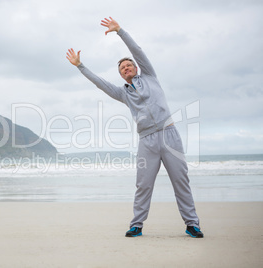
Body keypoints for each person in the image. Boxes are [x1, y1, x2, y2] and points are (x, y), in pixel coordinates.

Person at [66, 17, 203, 238]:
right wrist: (80, 66)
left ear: (136, 68)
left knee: (181, 181)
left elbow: (136, 50)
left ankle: (192, 224)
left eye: (129, 65)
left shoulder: (149, 75)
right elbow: (100, 83)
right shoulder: (123, 94)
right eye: (122, 68)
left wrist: (119, 31)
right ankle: (137, 225)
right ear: (121, 74)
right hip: (147, 141)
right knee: (143, 185)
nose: (126, 68)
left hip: (169, 135)